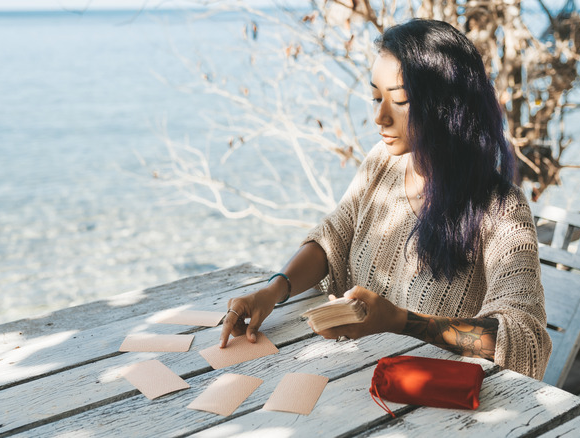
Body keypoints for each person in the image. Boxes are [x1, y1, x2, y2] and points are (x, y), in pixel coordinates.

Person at [219, 19, 552, 380]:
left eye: (400, 100)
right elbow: (334, 235)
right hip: (357, 377)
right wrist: (272, 291)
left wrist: (399, 322)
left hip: (432, 400)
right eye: (376, 97)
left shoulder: (501, 210)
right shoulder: (383, 162)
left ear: (446, 105)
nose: (379, 116)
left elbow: (525, 338)